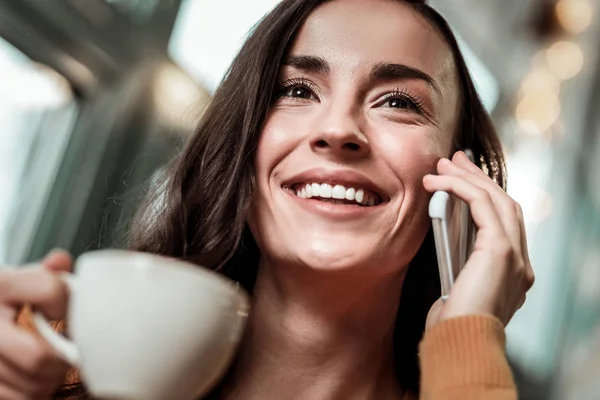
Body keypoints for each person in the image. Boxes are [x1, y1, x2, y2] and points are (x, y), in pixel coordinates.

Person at [2, 0, 535, 399]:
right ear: (245, 141)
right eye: (297, 91)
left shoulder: (468, 384)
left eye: (397, 102)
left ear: (461, 187)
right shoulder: (50, 359)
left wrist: (468, 334)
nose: (337, 130)